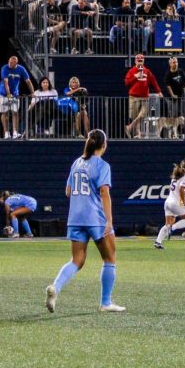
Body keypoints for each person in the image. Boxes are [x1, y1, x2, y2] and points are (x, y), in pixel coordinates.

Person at [45, 129, 124, 314]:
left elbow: (68, 191)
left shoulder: (77, 163)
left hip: (75, 217)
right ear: (104, 145)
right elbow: (105, 193)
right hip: (95, 217)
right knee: (109, 258)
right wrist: (109, 220)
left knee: (77, 260)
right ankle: (105, 303)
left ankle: (55, 288)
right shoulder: (103, 165)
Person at [154, 159, 185, 249]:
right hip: (175, 204)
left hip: (168, 203)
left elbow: (176, 190)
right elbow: (181, 189)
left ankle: (158, 242)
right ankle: (173, 228)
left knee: (167, 224)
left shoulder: (175, 175)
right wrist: (184, 202)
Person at [123, 54, 161, 138]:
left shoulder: (147, 71)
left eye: (141, 61)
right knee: (135, 116)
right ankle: (138, 134)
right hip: (134, 97)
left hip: (144, 97)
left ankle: (129, 127)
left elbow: (153, 81)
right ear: (135, 61)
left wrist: (159, 91)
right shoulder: (131, 71)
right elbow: (126, 82)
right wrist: (135, 77)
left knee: (142, 114)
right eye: (138, 61)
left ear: (144, 61)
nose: (140, 63)